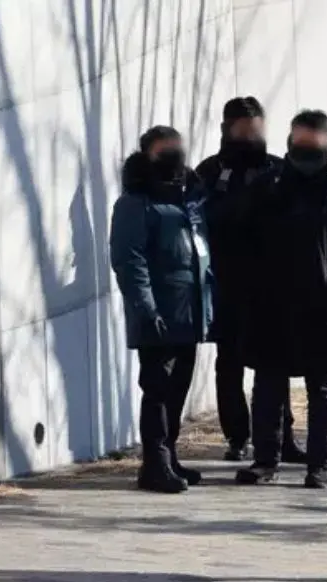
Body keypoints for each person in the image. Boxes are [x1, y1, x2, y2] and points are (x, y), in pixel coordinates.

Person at [233, 109, 327, 489]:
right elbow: (242, 240)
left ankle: (319, 466)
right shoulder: (266, 186)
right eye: (300, 142)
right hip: (271, 307)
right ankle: (265, 461)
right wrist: (253, 286)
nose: (306, 150)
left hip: (321, 307)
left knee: (321, 390)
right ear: (290, 140)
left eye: (314, 144)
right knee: (268, 387)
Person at [195, 97, 306, 464]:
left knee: (275, 363)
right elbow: (202, 221)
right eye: (243, 130)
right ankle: (237, 436)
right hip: (225, 283)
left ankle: (281, 437)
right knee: (229, 362)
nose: (251, 136)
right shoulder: (209, 173)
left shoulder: (280, 169)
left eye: (256, 129)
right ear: (227, 129)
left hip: (272, 285)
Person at [109, 126, 213, 494]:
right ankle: (154, 464)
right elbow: (128, 261)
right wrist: (146, 308)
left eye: (176, 148)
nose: (173, 155)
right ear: (147, 154)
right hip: (158, 313)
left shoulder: (188, 196)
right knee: (157, 389)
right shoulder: (135, 202)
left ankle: (169, 454)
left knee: (178, 388)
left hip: (189, 312)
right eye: (164, 150)